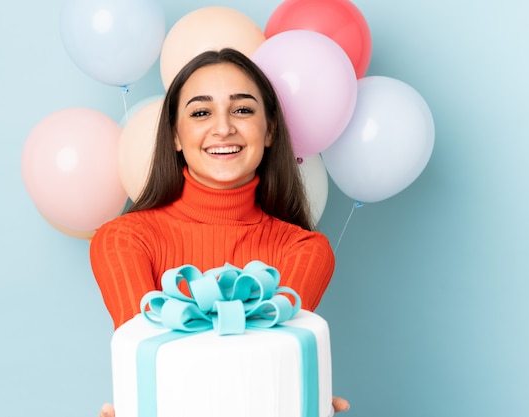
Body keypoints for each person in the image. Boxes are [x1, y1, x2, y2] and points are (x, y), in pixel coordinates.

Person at [90, 48, 349, 413]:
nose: (224, 128)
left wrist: (306, 402)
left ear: (270, 128)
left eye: (242, 110)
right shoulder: (123, 240)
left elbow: (266, 368)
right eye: (200, 112)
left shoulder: (305, 251)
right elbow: (157, 363)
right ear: (176, 136)